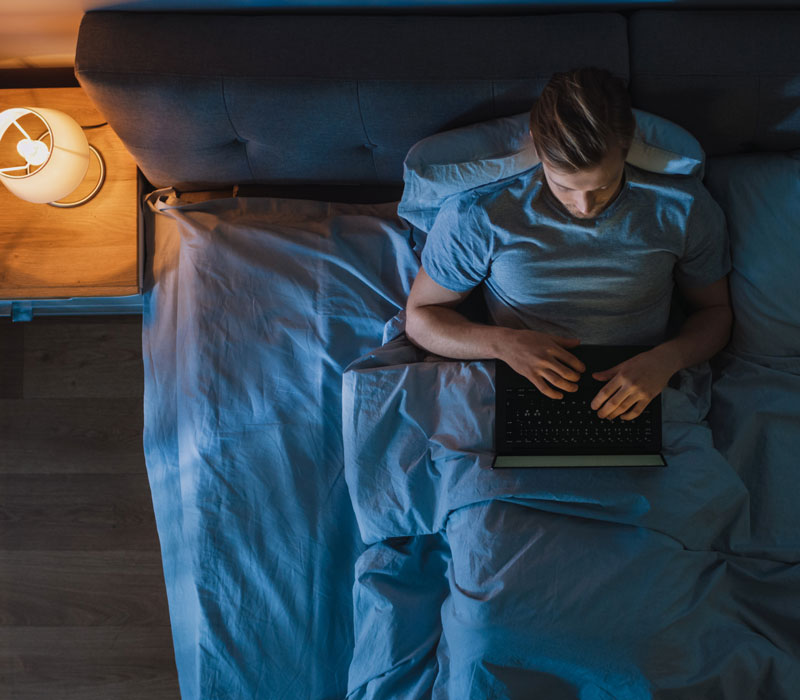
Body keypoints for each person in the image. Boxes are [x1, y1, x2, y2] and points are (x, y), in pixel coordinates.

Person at [405, 66, 732, 422]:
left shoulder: (682, 207)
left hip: (647, 387)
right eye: (564, 187)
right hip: (517, 388)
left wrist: (669, 358)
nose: (585, 206)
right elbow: (421, 320)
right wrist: (502, 344)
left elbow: (714, 313)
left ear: (628, 144)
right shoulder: (481, 214)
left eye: (603, 186)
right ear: (537, 146)